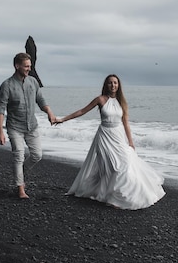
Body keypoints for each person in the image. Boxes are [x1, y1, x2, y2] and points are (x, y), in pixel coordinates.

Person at [55, 74, 165, 210]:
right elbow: (82, 111)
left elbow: (125, 123)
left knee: (124, 164)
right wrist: (62, 119)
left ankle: (117, 196)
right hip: (104, 136)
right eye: (110, 83)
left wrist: (131, 142)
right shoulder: (100, 99)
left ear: (118, 86)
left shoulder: (122, 102)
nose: (113, 85)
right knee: (110, 167)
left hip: (118, 136)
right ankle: (110, 196)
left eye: (115, 83)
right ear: (106, 85)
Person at [0, 52, 56, 199]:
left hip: (32, 126)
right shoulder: (7, 85)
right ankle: (21, 188)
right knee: (19, 156)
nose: (29, 69)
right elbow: (0, 109)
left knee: (37, 155)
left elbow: (41, 100)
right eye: (26, 66)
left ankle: (20, 175)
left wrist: (50, 113)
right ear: (17, 66)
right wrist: (0, 132)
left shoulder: (33, 82)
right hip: (15, 127)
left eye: (30, 66)